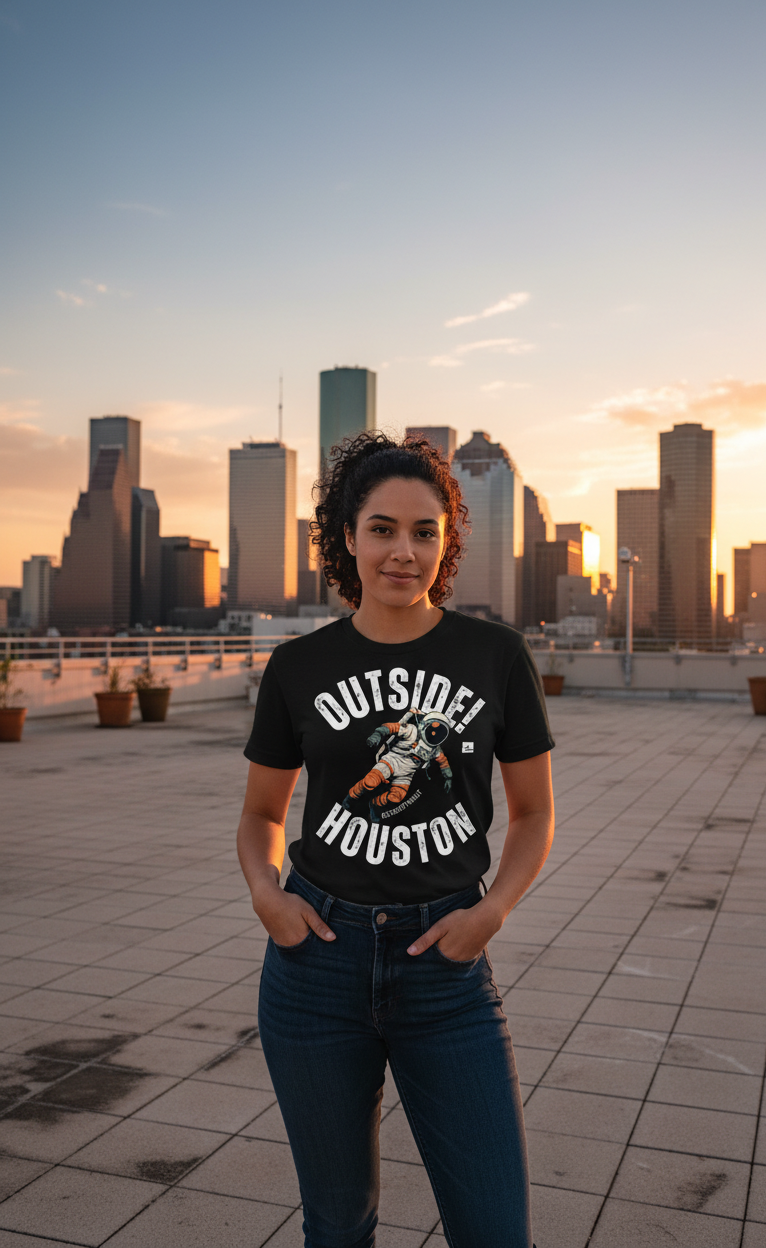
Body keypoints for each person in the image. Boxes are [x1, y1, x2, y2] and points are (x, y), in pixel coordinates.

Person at [237, 432, 555, 1248]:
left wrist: (495, 912)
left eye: (424, 532)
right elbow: (265, 816)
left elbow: (531, 815)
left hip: (444, 967)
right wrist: (268, 897)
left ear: (447, 544)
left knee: (494, 1229)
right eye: (382, 529)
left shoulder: (495, 656)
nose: (402, 552)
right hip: (316, 966)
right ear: (348, 537)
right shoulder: (299, 666)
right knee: (338, 1223)